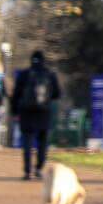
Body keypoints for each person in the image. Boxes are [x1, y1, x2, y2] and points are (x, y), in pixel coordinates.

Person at [11, 51, 61, 182]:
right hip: (44, 112)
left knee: (27, 140)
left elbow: (16, 94)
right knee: (43, 141)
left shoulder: (24, 74)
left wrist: (14, 111)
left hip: (26, 111)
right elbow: (57, 94)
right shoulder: (50, 75)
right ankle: (39, 168)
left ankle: (27, 171)